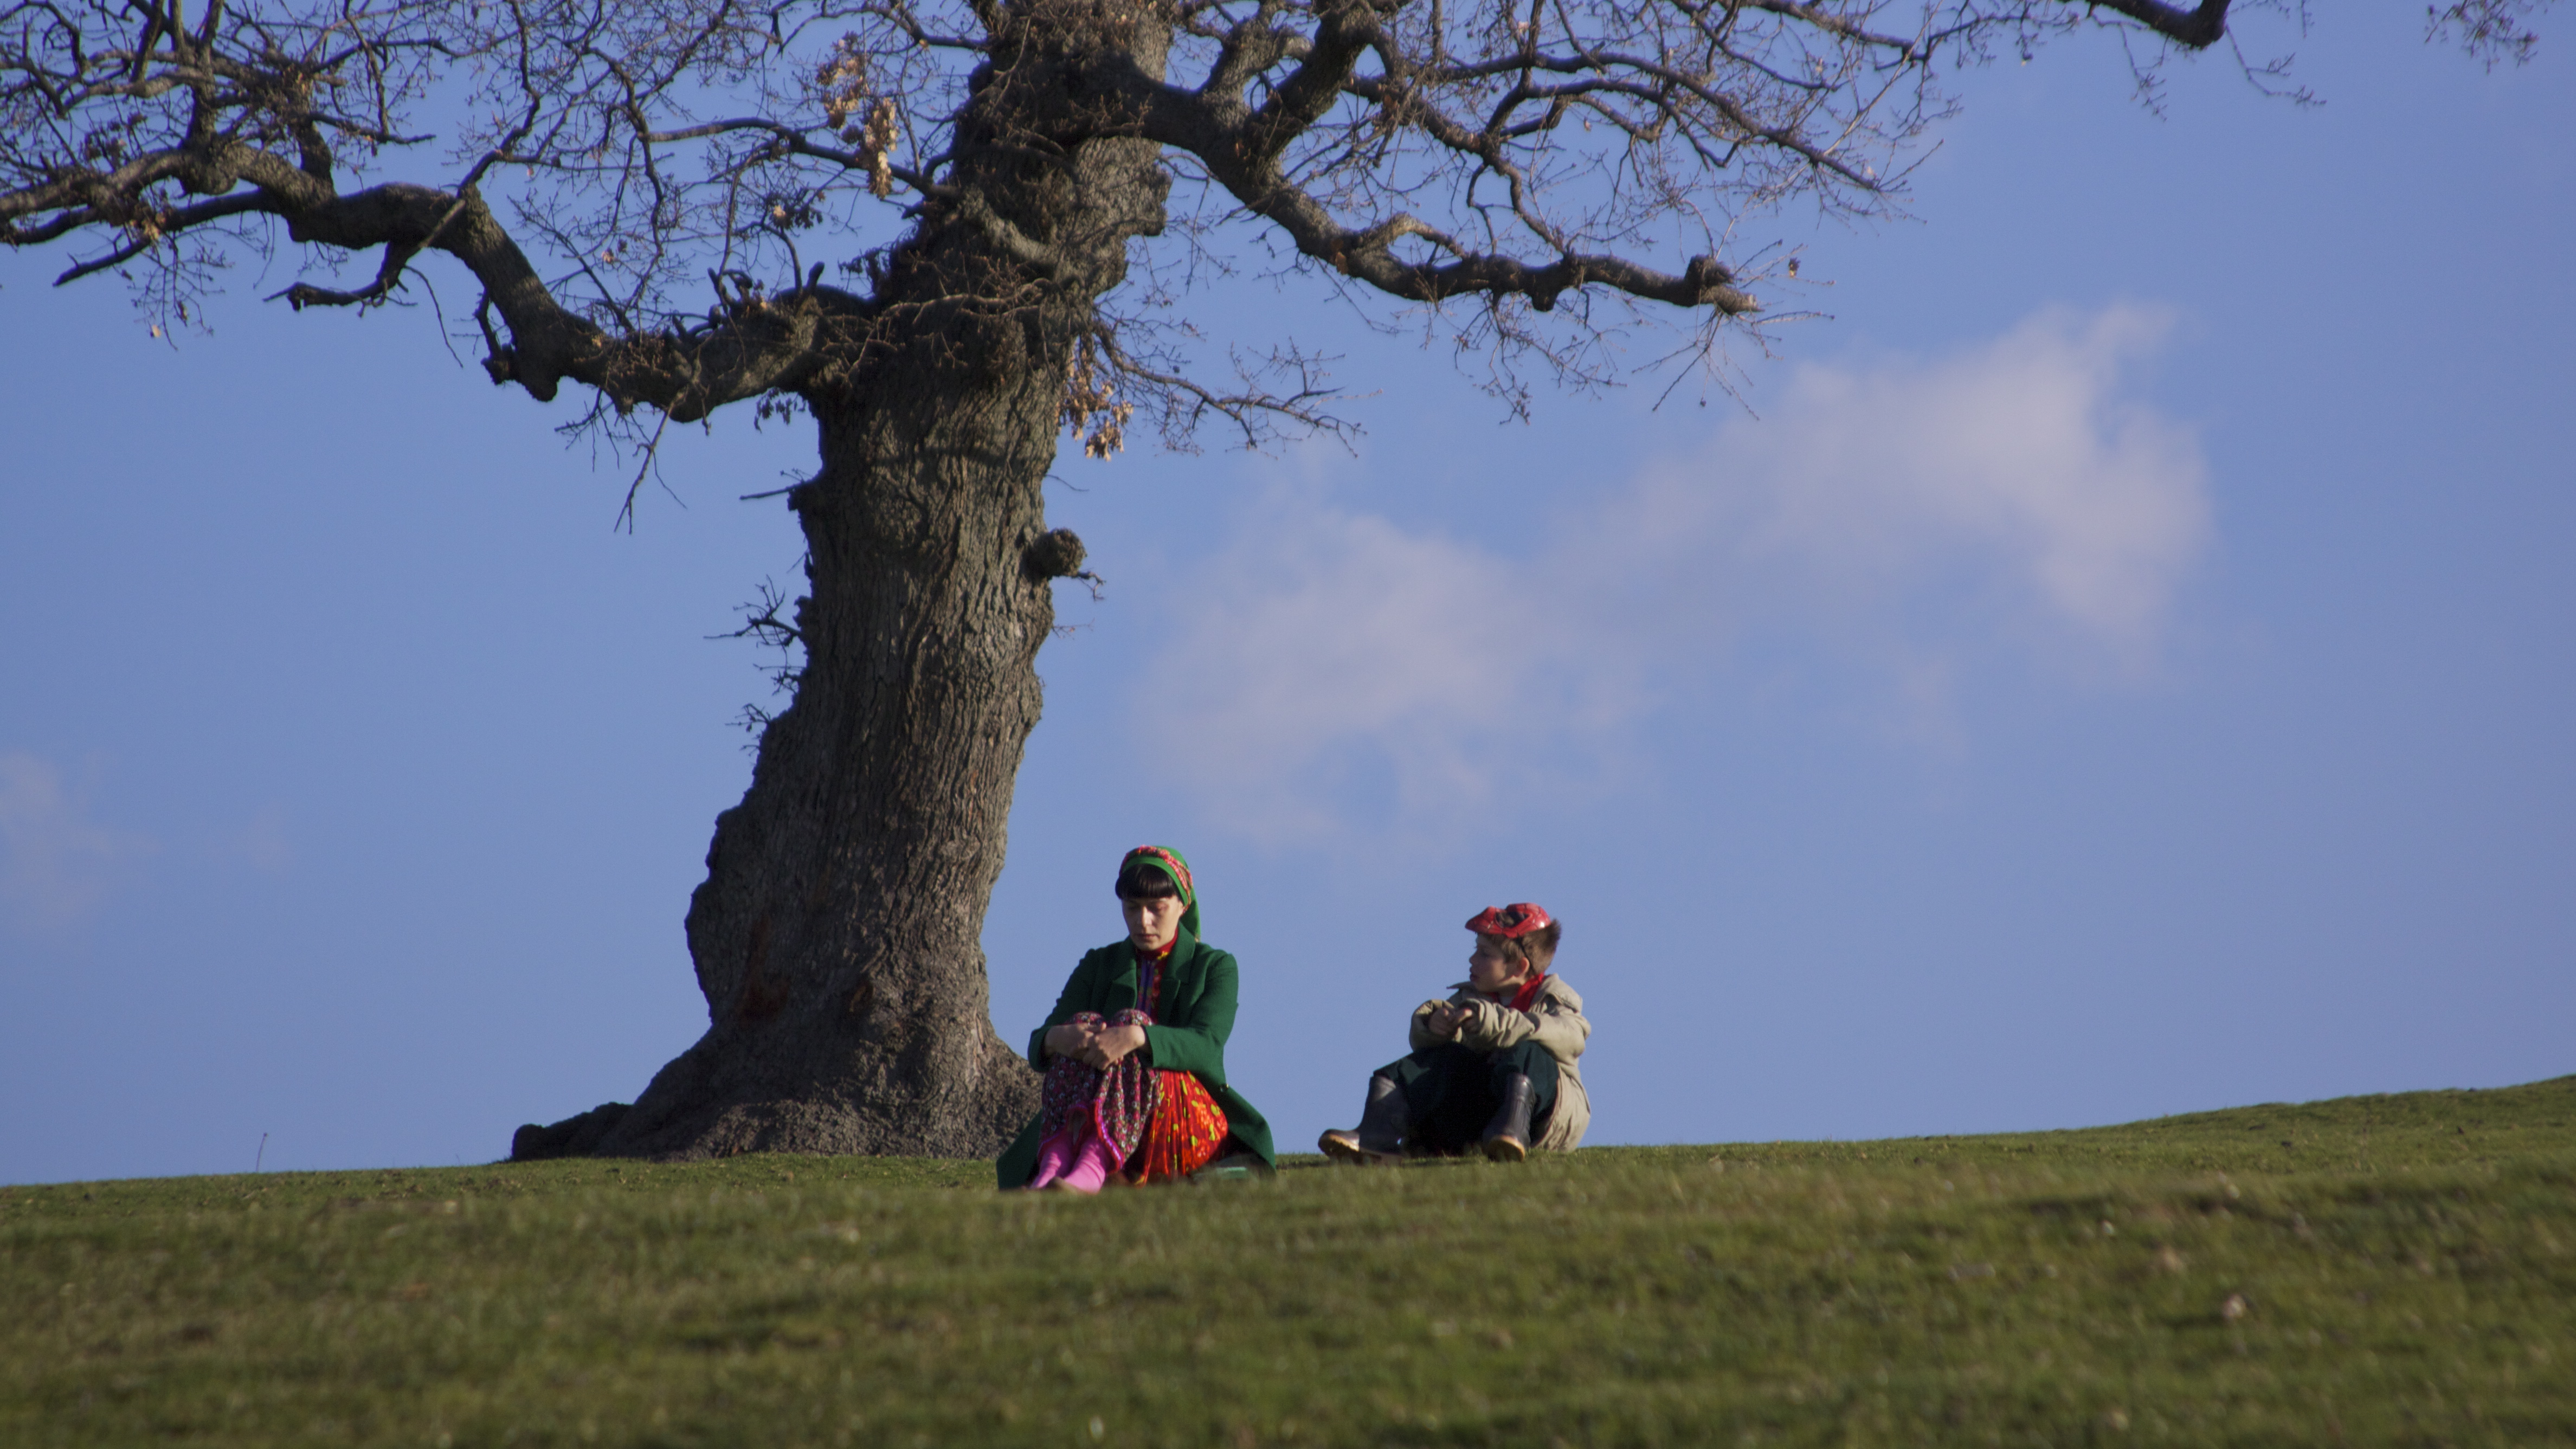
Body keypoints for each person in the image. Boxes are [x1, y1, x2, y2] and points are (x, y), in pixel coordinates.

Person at [996, 846, 1276, 1190]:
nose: (1143, 921)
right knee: (1080, 1024)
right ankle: (1054, 1172)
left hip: (1184, 1117)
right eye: (1132, 908)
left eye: (1156, 909)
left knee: (1129, 1024)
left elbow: (1207, 1045)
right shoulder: (1097, 964)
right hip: (1101, 1106)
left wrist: (1138, 1037)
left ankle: (1089, 1172)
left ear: (1182, 905)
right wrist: (1058, 1038)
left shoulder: (1216, 967)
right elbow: (1040, 1041)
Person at [1319, 903, 1590, 1164]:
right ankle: (1374, 1136)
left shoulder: (1557, 999)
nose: (1472, 959)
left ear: (1519, 967)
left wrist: (1495, 1022)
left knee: (1528, 1053)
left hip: (1543, 1123)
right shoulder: (1468, 998)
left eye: (1485, 954)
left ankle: (1511, 1135)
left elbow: (1571, 1037)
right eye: (1476, 950)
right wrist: (1433, 1025)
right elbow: (1435, 1053)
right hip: (1479, 1115)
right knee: (1435, 1061)